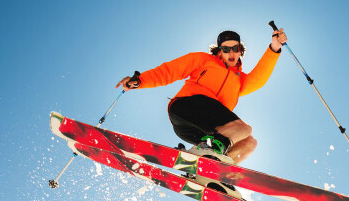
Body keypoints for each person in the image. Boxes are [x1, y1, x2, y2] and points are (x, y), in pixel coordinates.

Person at [116, 27, 287, 171]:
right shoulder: (203, 60)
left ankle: (213, 172)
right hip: (186, 107)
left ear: (240, 51)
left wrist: (274, 48)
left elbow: (258, 79)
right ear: (219, 51)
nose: (231, 52)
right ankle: (202, 152)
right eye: (226, 49)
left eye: (235, 48)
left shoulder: (239, 81)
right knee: (243, 128)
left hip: (202, 129)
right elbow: (170, 71)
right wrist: (140, 81)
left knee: (249, 143)